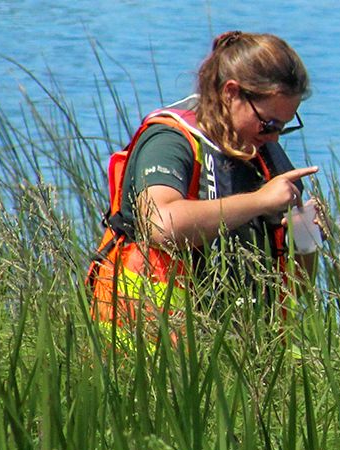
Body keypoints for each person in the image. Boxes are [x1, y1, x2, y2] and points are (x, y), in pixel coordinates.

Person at [88, 31, 322, 333]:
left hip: (238, 348)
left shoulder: (266, 156)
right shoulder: (169, 141)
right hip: (149, 340)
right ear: (231, 93)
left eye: (285, 126)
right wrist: (260, 201)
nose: (274, 137)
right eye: (269, 123)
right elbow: (161, 225)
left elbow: (296, 291)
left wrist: (307, 241)